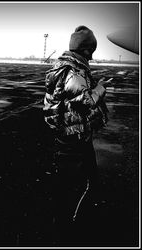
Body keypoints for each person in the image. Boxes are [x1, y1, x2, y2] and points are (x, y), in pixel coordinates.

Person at [43, 26, 110, 238]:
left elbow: (70, 98)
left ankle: (65, 223)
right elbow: (86, 101)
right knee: (79, 185)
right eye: (91, 50)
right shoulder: (74, 72)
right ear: (87, 50)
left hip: (69, 134)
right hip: (74, 137)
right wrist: (99, 88)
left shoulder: (64, 67)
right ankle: (69, 230)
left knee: (73, 183)